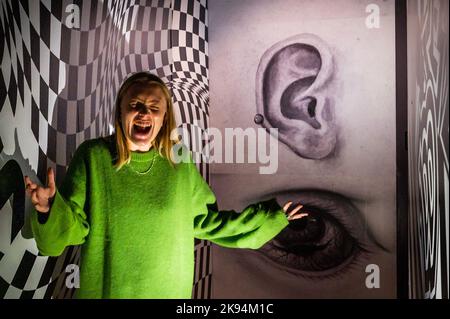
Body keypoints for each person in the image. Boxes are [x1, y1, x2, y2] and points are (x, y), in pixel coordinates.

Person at [23, 72, 307, 299]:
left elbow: (207, 222)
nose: (144, 112)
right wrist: (49, 209)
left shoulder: (178, 162)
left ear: (164, 118)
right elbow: (73, 227)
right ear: (121, 112)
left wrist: (271, 219)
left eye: (154, 107)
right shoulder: (94, 156)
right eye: (135, 105)